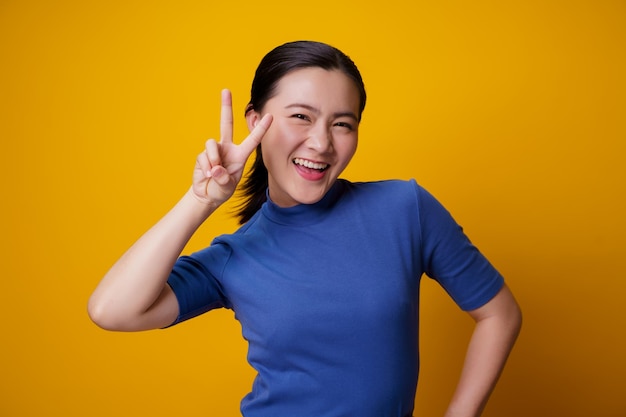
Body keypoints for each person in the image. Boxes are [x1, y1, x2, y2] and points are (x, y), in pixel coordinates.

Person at [88, 40, 522, 417]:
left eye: (342, 123)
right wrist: (201, 201)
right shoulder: (233, 257)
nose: (322, 143)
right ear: (255, 122)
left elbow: (499, 314)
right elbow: (112, 310)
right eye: (301, 116)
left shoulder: (404, 208)